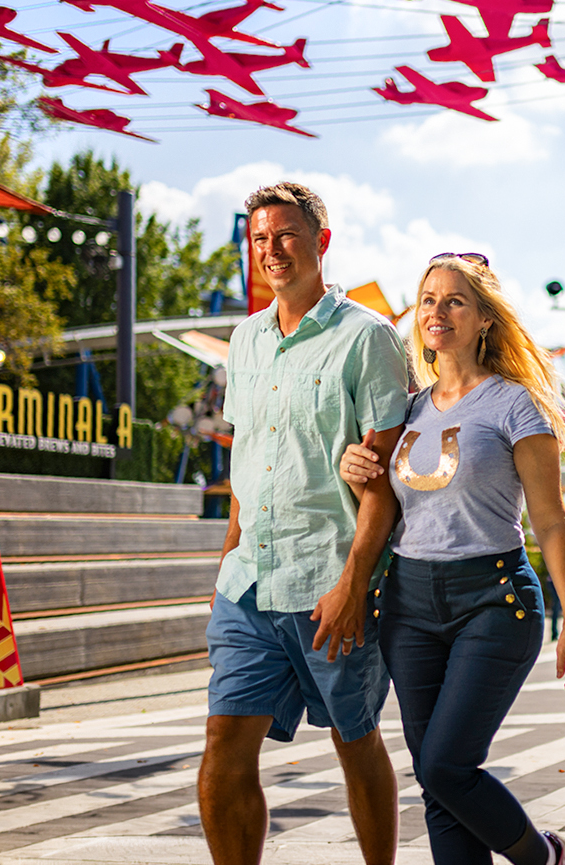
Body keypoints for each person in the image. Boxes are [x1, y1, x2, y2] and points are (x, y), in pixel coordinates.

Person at [337, 251, 565, 865]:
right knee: (435, 781)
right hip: (409, 605)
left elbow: (551, 522)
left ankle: (545, 859)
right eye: (429, 300)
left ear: (483, 318)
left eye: (455, 300)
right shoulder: (409, 410)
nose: (438, 312)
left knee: (447, 765)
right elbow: (392, 507)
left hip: (492, 600)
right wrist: (354, 474)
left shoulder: (514, 405)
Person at [198, 183, 407, 865]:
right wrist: (223, 569)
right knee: (225, 739)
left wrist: (355, 584)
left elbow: (383, 483)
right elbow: (249, 464)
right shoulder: (245, 341)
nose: (271, 250)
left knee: (355, 739)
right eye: (259, 239)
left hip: (329, 579)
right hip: (249, 584)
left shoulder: (367, 337)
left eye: (285, 235)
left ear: (321, 241)